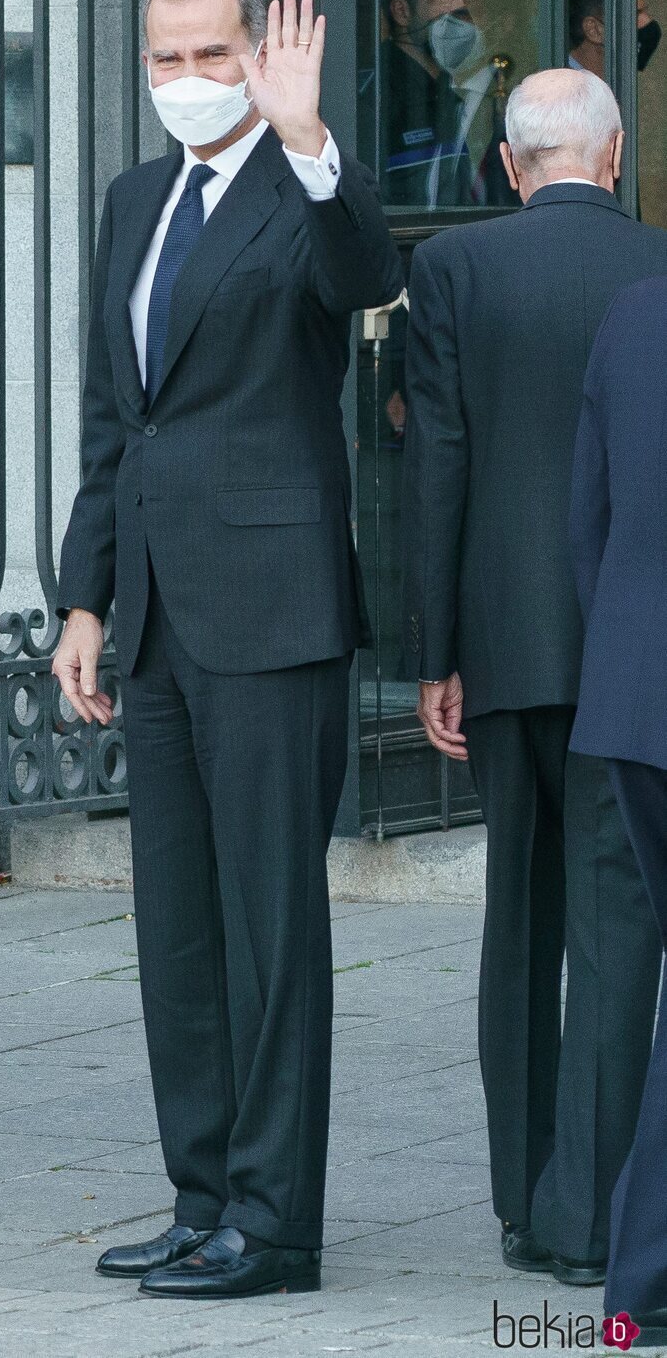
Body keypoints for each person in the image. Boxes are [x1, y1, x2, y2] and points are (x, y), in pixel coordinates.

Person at [51, 0, 402, 1300]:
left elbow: (364, 273)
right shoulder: (135, 200)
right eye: (164, 60)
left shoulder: (301, 186)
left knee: (269, 921)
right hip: (152, 617)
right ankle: (202, 1195)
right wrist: (87, 597)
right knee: (181, 927)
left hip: (271, 608)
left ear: (257, 54)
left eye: (209, 57)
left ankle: (276, 1218)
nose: (185, 84)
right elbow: (110, 417)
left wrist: (310, 139)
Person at [400, 68, 667, 1287]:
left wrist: (432, 652)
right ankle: (594, 1218)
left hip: (504, 647)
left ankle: (519, 1201)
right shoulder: (655, 273)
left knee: (517, 923)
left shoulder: (454, 270)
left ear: (508, 167)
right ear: (614, 156)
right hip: (630, 654)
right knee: (614, 934)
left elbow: (435, 467)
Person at [569, 277, 667, 1346]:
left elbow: (584, 522)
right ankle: (638, 1280)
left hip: (638, 703)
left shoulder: (632, 314)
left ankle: (640, 1281)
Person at [361, 0, 481, 209]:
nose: (461, 13)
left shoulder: (448, 88)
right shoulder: (377, 95)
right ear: (402, 12)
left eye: (466, 0)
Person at [568, 0, 661, 78]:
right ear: (594, 30)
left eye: (644, 12)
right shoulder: (563, 91)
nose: (647, 22)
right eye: (633, 15)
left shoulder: (608, 85)